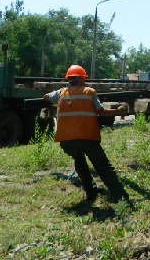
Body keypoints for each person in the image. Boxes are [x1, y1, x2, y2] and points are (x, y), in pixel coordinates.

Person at [44, 64, 129, 204]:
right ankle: (120, 196)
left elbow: (46, 97)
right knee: (102, 166)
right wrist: (118, 111)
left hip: (66, 140)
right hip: (87, 137)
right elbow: (101, 112)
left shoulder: (61, 93)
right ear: (82, 79)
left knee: (79, 162)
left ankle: (91, 193)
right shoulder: (89, 92)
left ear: (69, 79)